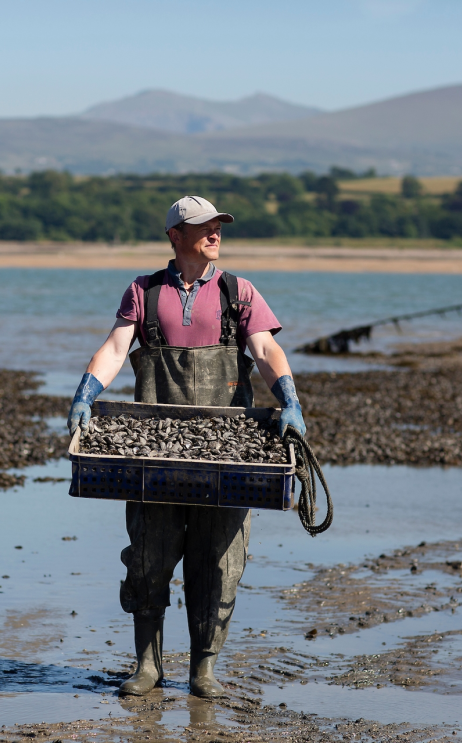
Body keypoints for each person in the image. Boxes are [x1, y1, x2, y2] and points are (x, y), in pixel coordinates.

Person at [67, 195, 306, 698]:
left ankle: (203, 670)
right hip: (153, 454)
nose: (215, 233)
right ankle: (147, 667)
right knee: (149, 558)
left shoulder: (239, 293)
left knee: (220, 563)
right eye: (203, 226)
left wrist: (288, 397)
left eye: (219, 225)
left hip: (227, 457)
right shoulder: (145, 291)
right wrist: (87, 391)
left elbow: (264, 349)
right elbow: (116, 347)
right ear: (175, 235)